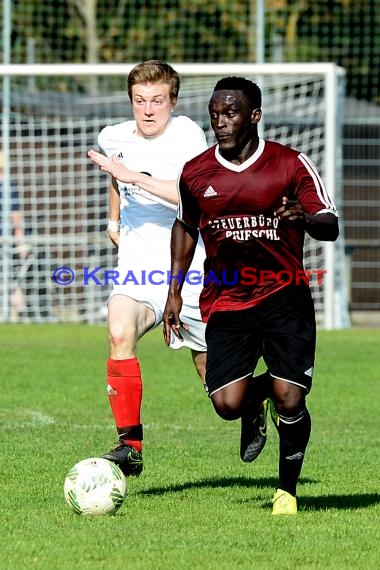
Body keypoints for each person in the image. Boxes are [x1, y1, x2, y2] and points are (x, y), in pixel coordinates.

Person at [163, 76, 339, 515]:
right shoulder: (196, 171)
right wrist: (173, 292)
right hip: (226, 299)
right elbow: (185, 227)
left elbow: (330, 223)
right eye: (215, 114)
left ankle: (287, 491)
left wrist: (305, 217)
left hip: (285, 294)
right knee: (227, 404)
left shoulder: (290, 164)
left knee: (291, 396)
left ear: (254, 115)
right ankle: (255, 400)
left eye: (230, 113)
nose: (219, 122)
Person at [87, 60, 208, 477]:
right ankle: (130, 447)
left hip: (188, 264)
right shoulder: (113, 136)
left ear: (173, 102)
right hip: (137, 264)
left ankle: (255, 402)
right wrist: (113, 221)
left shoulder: (188, 135)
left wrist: (128, 173)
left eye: (157, 100)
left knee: (219, 391)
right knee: (119, 330)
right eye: (140, 101)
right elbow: (114, 176)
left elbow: (188, 198)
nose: (148, 109)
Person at [0, 150, 27, 320]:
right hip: (6, 240)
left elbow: (16, 218)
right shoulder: (8, 186)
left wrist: (20, 242)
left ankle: (16, 310)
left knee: (10, 278)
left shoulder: (8, 187)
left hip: (5, 241)